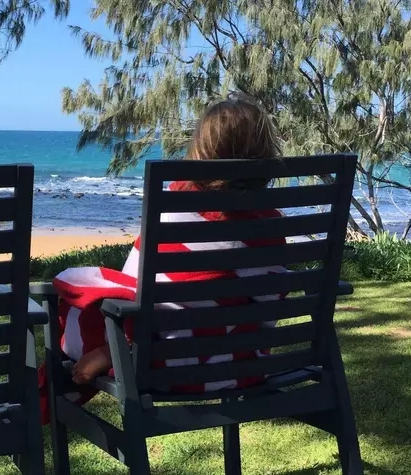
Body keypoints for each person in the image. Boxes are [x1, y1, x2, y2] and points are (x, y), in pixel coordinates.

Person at [38, 92, 288, 424]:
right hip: (245, 367)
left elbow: (132, 289)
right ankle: (115, 350)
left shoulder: (175, 209)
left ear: (201, 152)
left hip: (167, 367)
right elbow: (269, 303)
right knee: (202, 308)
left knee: (85, 285)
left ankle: (109, 353)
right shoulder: (272, 224)